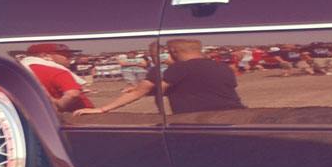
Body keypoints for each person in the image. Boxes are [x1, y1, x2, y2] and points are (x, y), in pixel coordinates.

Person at [82, 39, 244, 115]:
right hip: (234, 115)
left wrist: (102, 109)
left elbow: (140, 93)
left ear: (172, 51)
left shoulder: (179, 68)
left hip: (197, 120)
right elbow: (199, 89)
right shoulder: (224, 68)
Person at [21, 43, 92, 113]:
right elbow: (73, 94)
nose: (70, 58)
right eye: (66, 55)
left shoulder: (21, 71)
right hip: (76, 114)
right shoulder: (57, 71)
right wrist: (59, 106)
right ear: (46, 55)